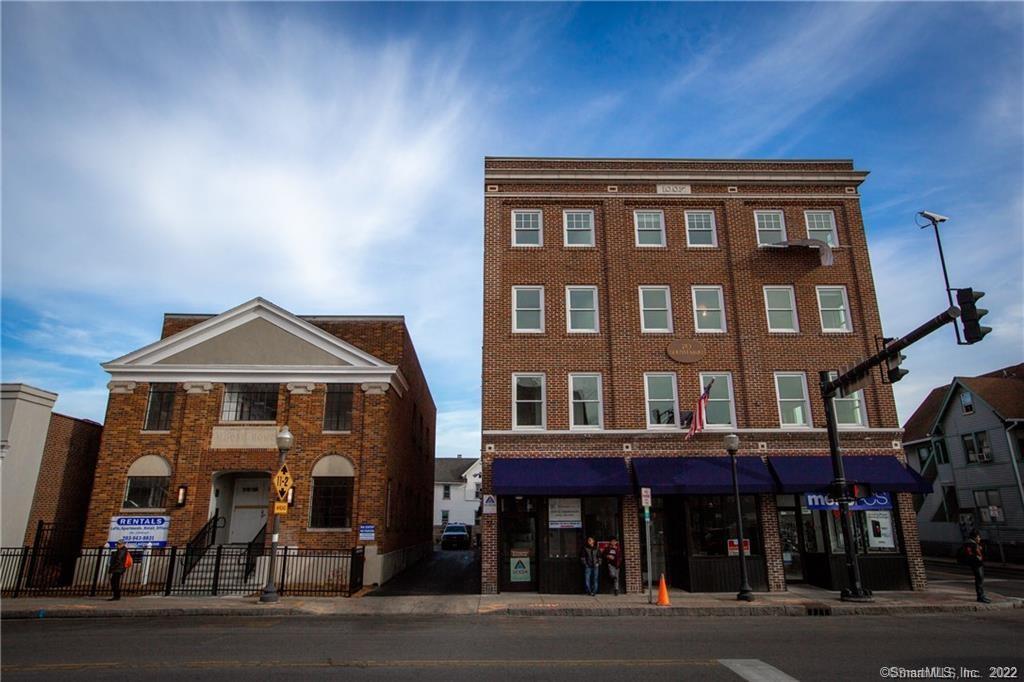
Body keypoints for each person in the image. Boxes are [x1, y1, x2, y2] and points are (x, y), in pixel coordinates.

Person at [964, 530, 991, 603]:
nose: (979, 539)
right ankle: (980, 596)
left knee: (980, 580)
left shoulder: (971, 543)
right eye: (978, 537)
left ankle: (981, 595)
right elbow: (973, 555)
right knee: (979, 580)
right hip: (976, 564)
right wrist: (978, 558)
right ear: (974, 537)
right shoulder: (971, 544)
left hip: (976, 564)